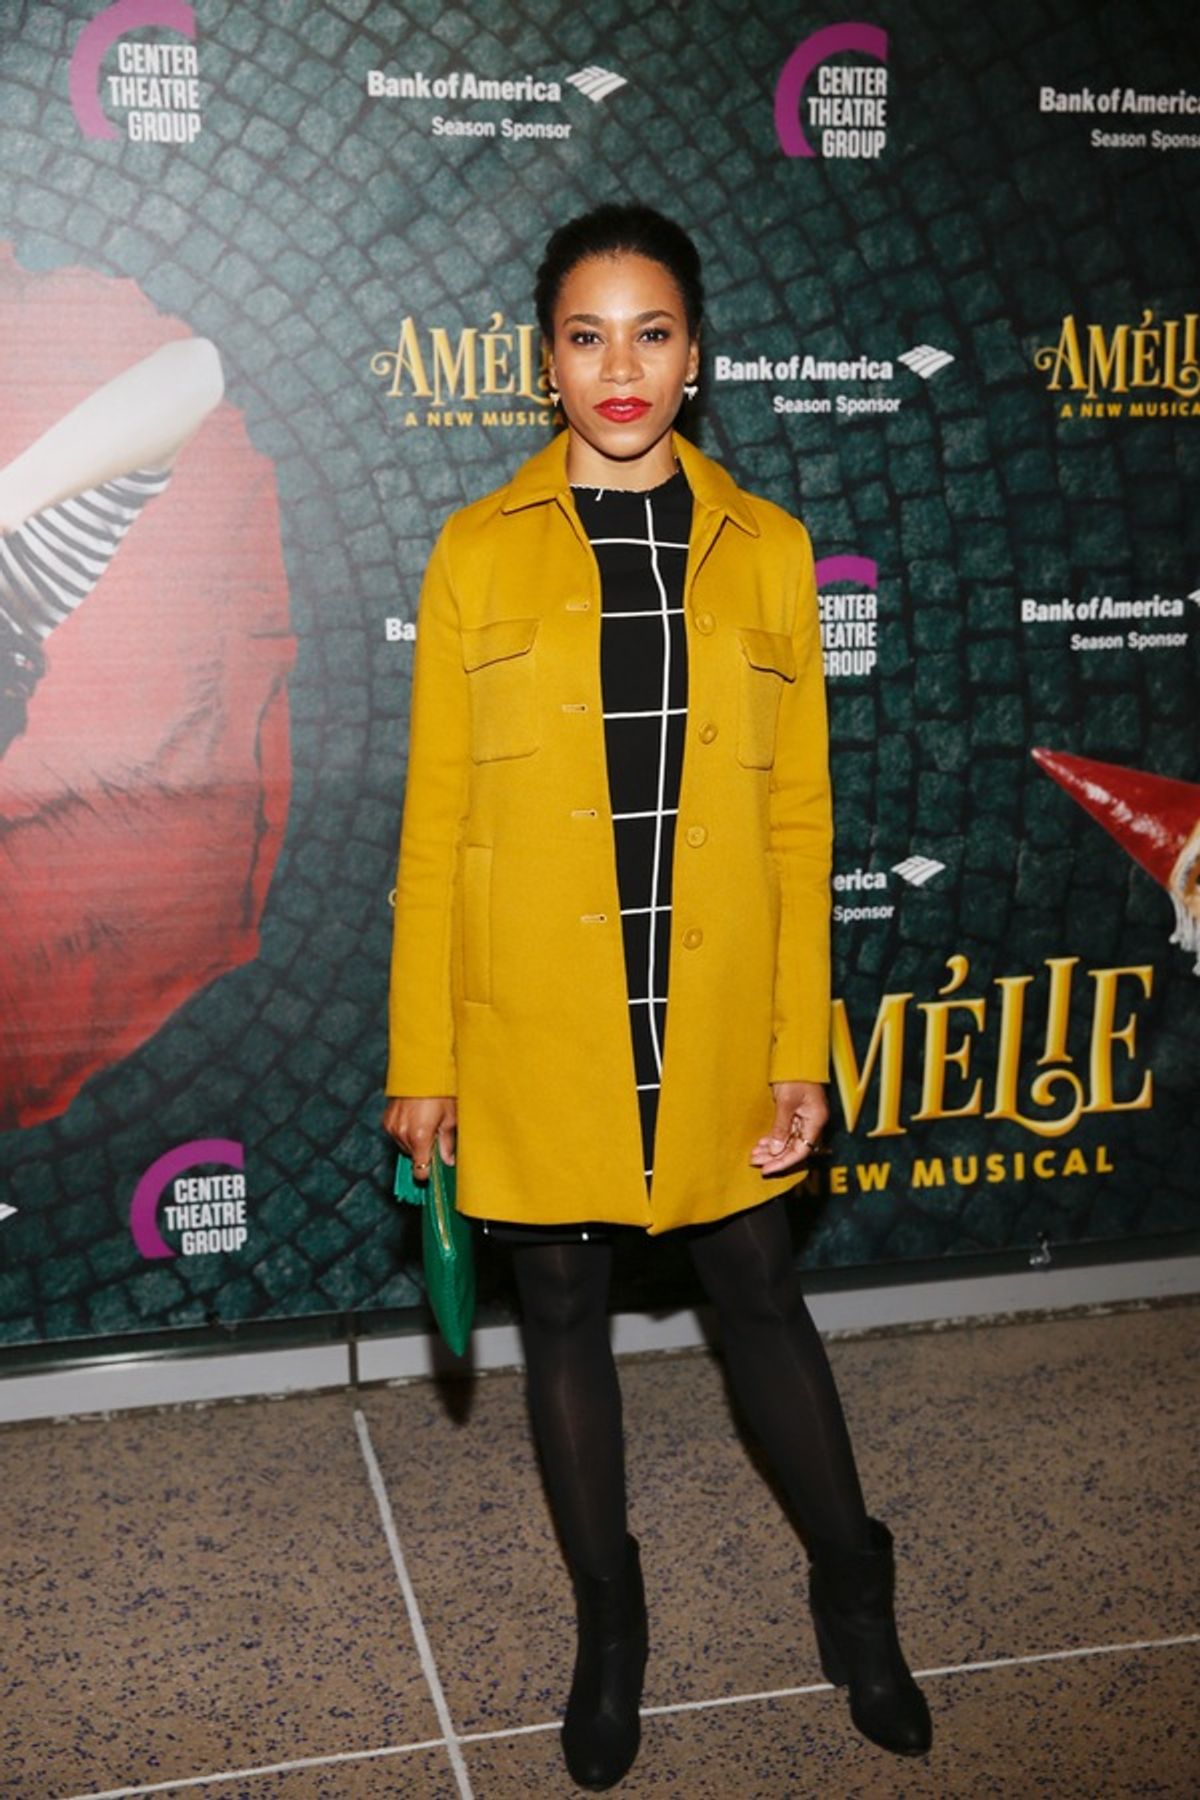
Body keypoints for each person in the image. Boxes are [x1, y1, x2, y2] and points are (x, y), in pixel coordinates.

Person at [383, 203, 931, 1789]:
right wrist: (426, 1053)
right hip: (538, 1012)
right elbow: (436, 822)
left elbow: (801, 820)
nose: (619, 367)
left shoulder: (766, 550)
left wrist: (796, 1045)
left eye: (652, 333)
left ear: (696, 360)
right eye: (585, 334)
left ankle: (854, 1573)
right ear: (544, 360)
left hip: (704, 1011)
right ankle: (610, 1622)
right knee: (557, 1306)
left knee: (756, 1288)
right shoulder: (476, 551)